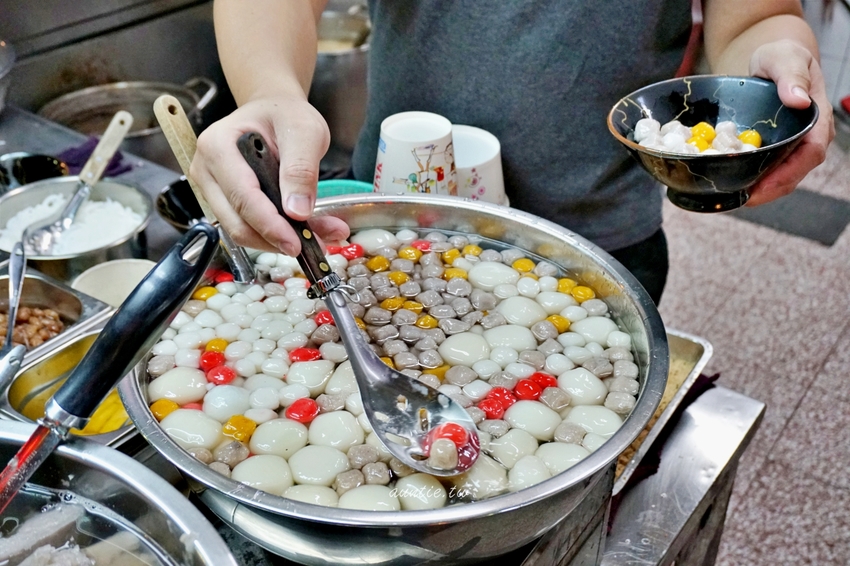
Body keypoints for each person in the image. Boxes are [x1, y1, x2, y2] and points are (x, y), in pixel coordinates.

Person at [190, 0, 834, 304]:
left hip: (597, 239)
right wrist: (270, 92)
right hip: (392, 223)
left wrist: (773, 69)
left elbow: (755, 15)